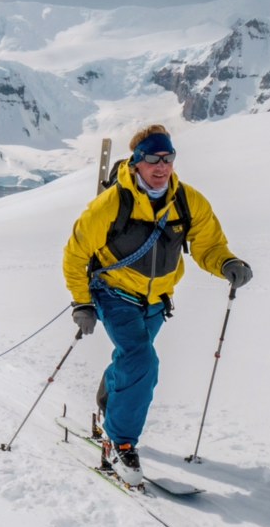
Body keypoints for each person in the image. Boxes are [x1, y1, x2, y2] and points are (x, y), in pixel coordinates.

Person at [61, 124, 252, 486]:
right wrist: (82, 304)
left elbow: (208, 244)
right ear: (136, 163)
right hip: (114, 293)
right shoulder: (111, 205)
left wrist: (226, 263)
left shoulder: (187, 201)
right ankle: (120, 442)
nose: (161, 166)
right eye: (152, 159)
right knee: (141, 359)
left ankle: (108, 407)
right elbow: (76, 255)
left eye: (168, 158)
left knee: (133, 357)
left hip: (156, 300)